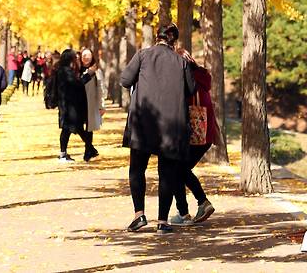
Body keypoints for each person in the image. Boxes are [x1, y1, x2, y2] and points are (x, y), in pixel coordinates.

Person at [120, 23, 195, 234]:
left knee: (137, 169)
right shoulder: (181, 62)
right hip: (171, 124)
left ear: (157, 37)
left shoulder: (143, 55)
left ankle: (139, 215)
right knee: (167, 173)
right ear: (175, 41)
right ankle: (163, 221)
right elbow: (191, 89)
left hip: (143, 122)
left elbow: (125, 80)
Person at [169, 53, 218, 225]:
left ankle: (198, 204)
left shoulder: (186, 82)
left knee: (176, 170)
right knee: (178, 171)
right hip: (206, 135)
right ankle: (185, 212)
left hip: (194, 136)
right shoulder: (201, 79)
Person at [57, 48, 96, 162]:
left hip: (70, 105)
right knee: (68, 129)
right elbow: (78, 84)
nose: (77, 59)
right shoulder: (65, 71)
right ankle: (63, 154)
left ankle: (90, 149)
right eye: (75, 57)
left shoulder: (66, 70)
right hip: (68, 105)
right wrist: (89, 74)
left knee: (76, 128)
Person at [80, 47, 104, 159]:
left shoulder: (96, 71)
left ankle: (88, 151)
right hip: (79, 103)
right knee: (78, 127)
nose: (86, 57)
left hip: (91, 103)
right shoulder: (77, 70)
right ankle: (91, 148)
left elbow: (100, 89)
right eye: (84, 55)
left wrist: (101, 106)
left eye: (88, 55)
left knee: (89, 128)